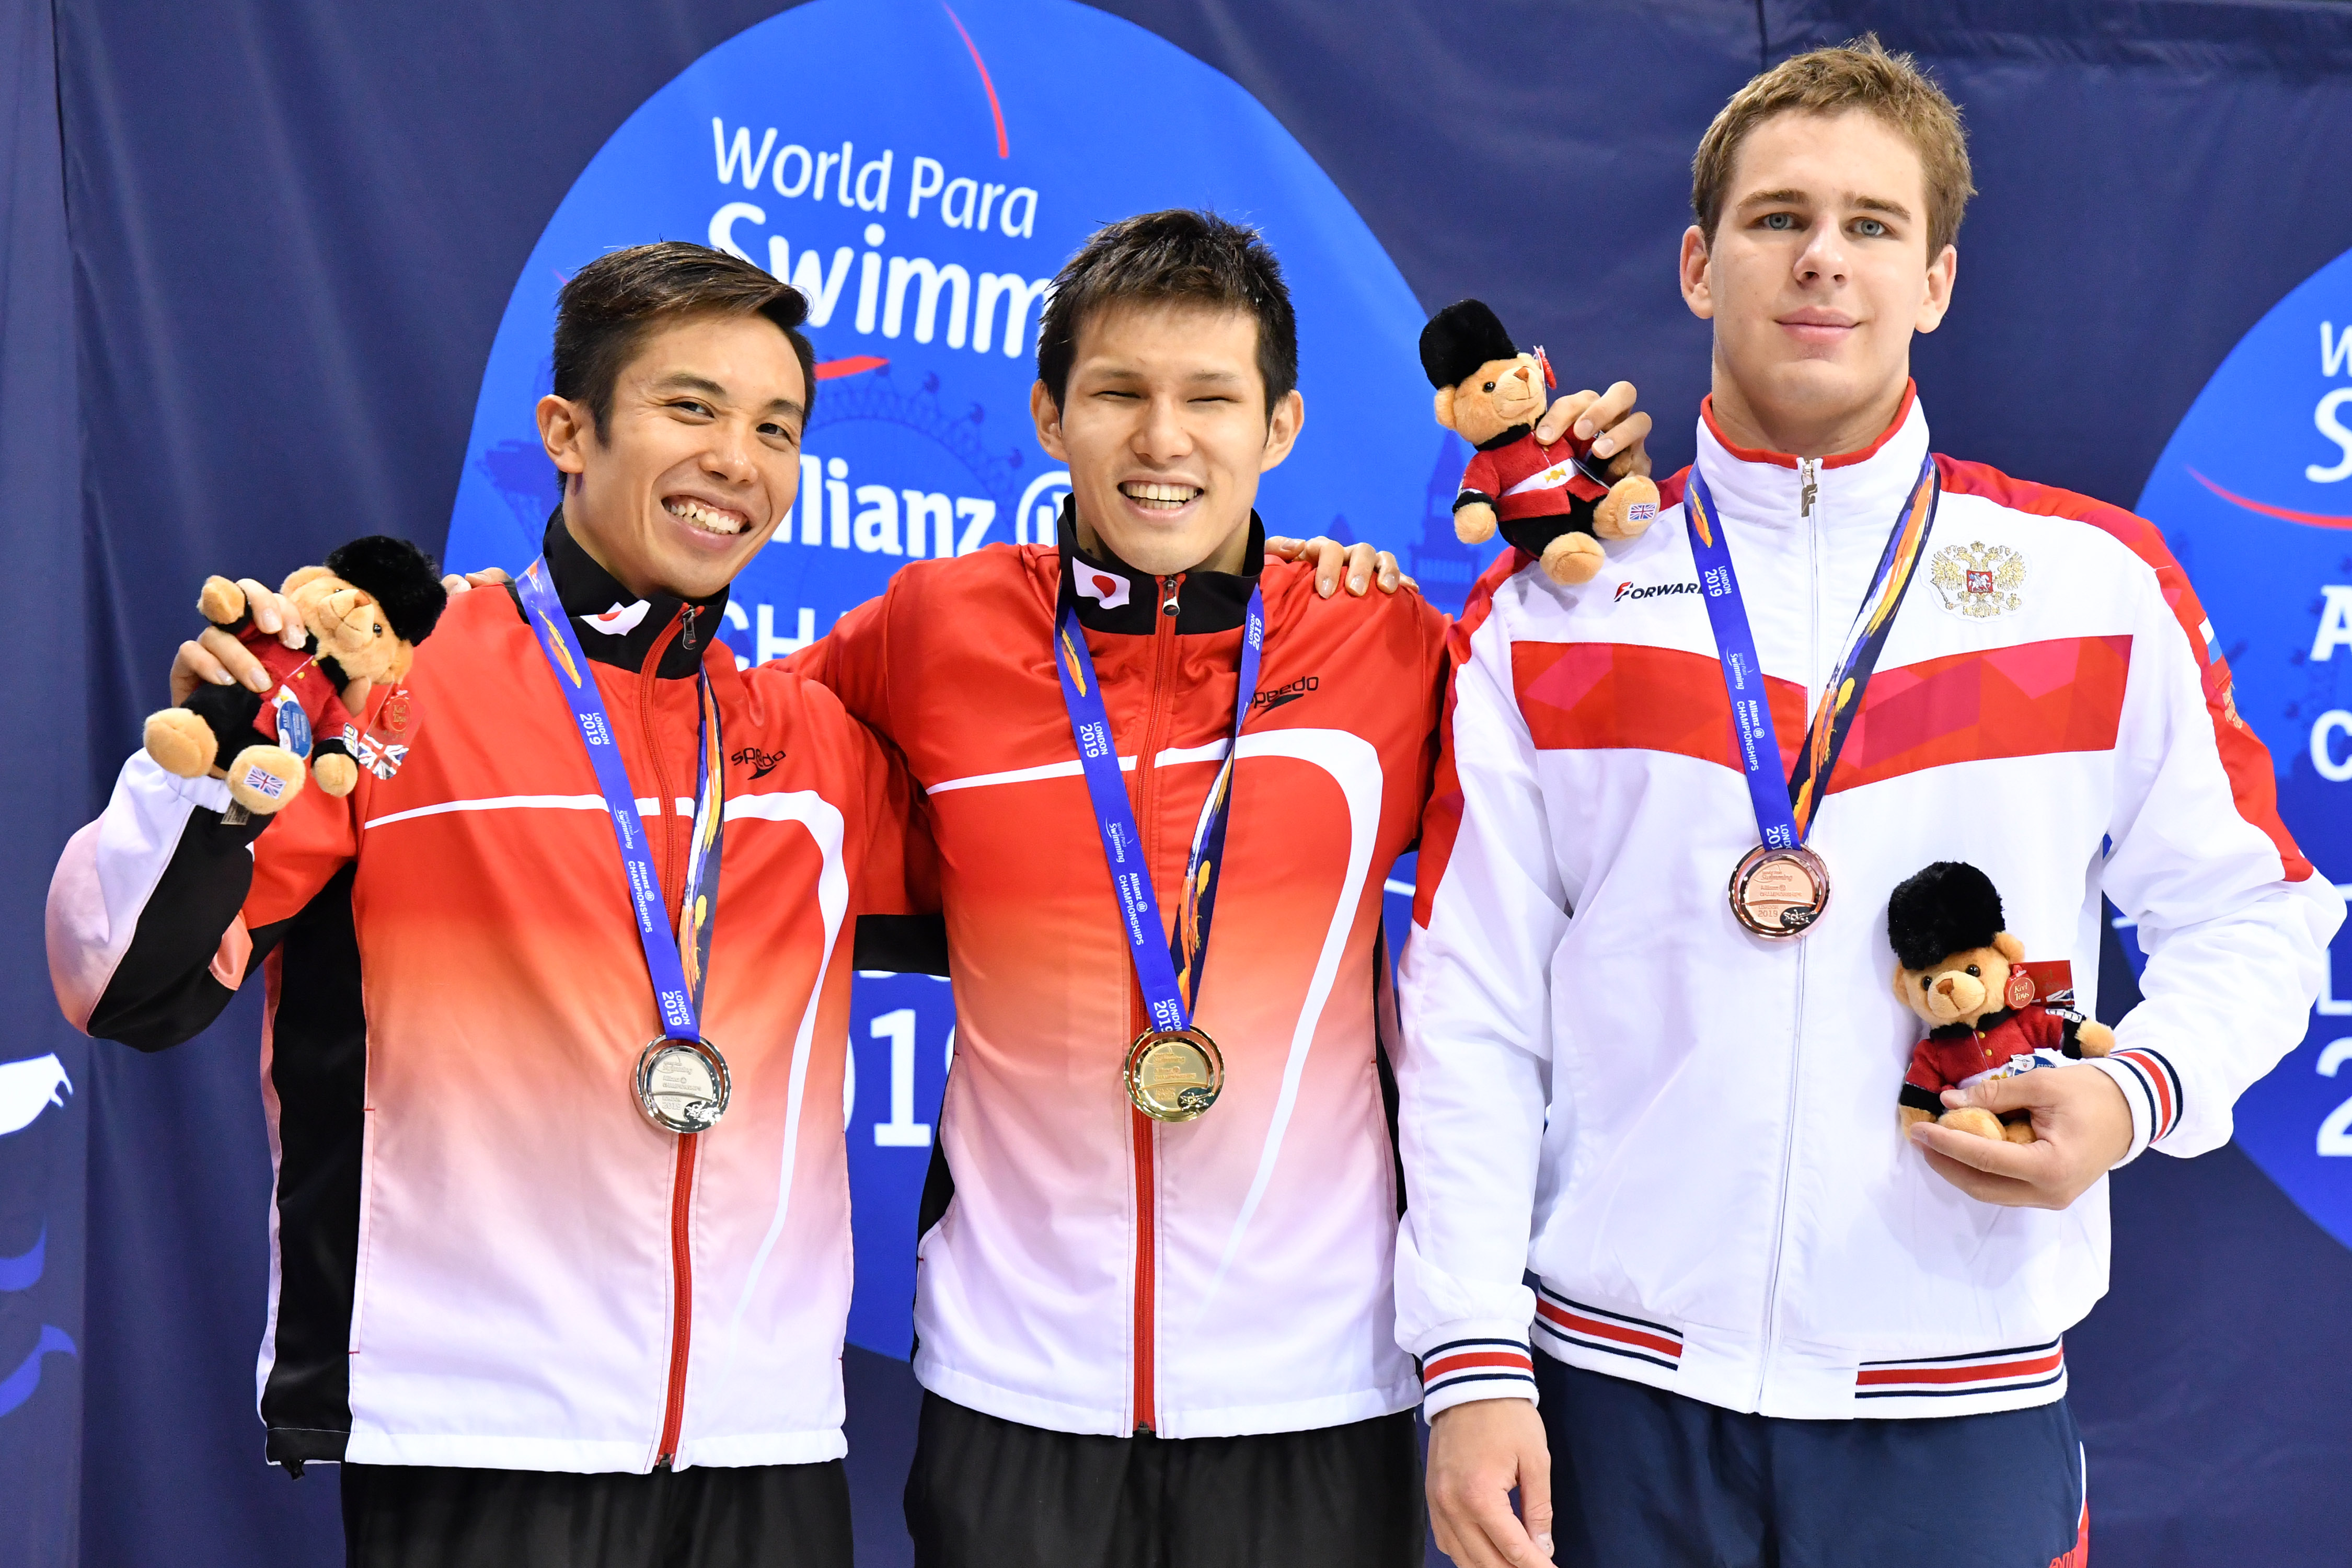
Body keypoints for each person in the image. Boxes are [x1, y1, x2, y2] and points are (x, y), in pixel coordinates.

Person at [1399, 37, 2345, 1568]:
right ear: (1700, 266)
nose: (1820, 260)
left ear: (1937, 281)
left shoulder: (2088, 585)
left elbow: (2260, 914)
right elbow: (1468, 1008)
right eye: (1776, 219)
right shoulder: (1555, 612)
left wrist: (2132, 1092)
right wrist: (1465, 1357)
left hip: (1957, 1409)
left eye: (1870, 225)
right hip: (1609, 1397)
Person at [784, 209, 1651, 1568]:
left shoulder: (1384, 637)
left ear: (1281, 425)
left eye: (1209, 399)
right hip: (1009, 1385)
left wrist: (1613, 552)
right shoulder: (933, 626)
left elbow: (1621, 793)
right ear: (1047, 415)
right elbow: (702, 759)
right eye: (1119, 393)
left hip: (1316, 1386)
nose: (1163, 440)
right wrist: (485, 641)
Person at [48, 241, 919, 1567]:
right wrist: (209, 781)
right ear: (567, 431)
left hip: (770, 1455)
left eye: (776, 428)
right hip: (474, 1445)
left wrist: (1282, 584)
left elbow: (1076, 858)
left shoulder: (817, 747)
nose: (739, 459)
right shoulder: (392, 681)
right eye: (691, 408)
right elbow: (125, 989)